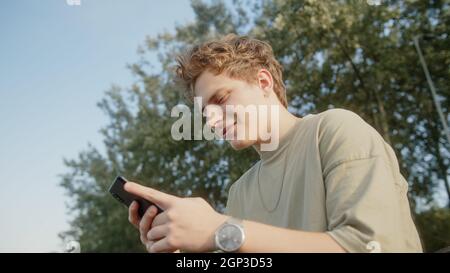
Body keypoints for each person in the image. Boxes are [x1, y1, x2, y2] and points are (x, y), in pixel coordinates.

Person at [124, 34, 423, 253]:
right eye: (205, 113)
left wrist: (219, 230)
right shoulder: (239, 191)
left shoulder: (333, 130)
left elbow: (370, 247)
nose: (212, 120)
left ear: (264, 82)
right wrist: (183, 251)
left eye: (221, 99)